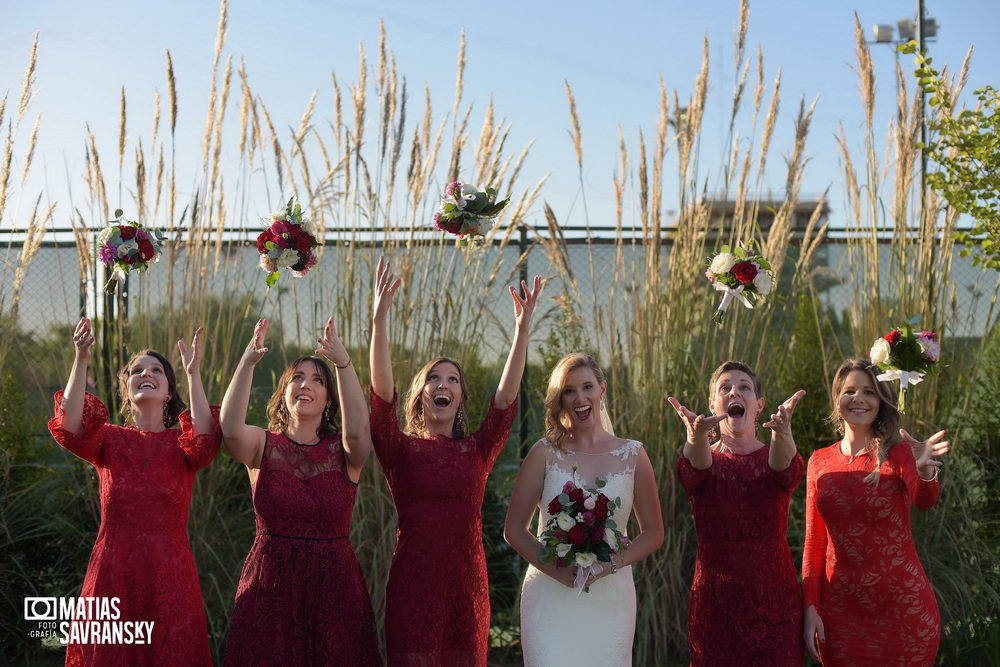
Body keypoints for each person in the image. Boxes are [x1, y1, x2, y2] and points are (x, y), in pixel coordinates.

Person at [369, 256, 542, 666]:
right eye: (433, 377)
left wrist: (521, 331)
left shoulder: (478, 450)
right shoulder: (399, 450)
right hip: (413, 586)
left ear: (461, 397)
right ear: (420, 393)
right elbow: (381, 399)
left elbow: (504, 401)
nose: (442, 384)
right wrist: (379, 323)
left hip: (467, 588)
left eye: (452, 380)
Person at [47, 317, 218, 666]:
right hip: (113, 575)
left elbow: (204, 440)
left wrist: (194, 373)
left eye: (156, 370)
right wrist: (80, 358)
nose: (146, 374)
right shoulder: (109, 439)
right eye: (137, 370)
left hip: (170, 581)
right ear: (126, 389)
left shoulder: (181, 446)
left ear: (169, 391)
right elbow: (68, 425)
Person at [220, 317, 380, 666]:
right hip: (270, 590)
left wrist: (344, 364)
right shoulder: (262, 444)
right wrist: (247, 362)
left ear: (328, 399)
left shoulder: (346, 452)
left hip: (335, 593)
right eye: (298, 377)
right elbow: (230, 429)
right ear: (284, 392)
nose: (306, 384)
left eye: (317, 380)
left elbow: (360, 431)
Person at [505, 353, 664, 667]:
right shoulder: (544, 453)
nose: (579, 397)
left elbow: (654, 533)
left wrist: (609, 565)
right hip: (550, 596)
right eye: (569, 390)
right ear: (560, 399)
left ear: (602, 389)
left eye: (587, 386)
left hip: (610, 598)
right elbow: (513, 531)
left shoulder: (633, 454)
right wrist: (560, 573)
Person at [802, 358, 950, 665]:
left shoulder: (900, 453)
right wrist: (810, 608)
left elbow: (924, 500)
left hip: (903, 615)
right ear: (837, 398)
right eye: (850, 390)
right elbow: (815, 543)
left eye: (869, 392)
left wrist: (924, 472)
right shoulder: (818, 461)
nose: (858, 398)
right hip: (839, 617)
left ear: (881, 401)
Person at [667, 361, 806, 666]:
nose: (734, 392)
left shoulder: (773, 455)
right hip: (714, 610)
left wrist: (783, 433)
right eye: (725, 387)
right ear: (711, 404)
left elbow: (787, 470)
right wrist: (695, 437)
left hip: (776, 610)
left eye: (744, 387)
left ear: (759, 405)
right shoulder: (704, 457)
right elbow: (695, 468)